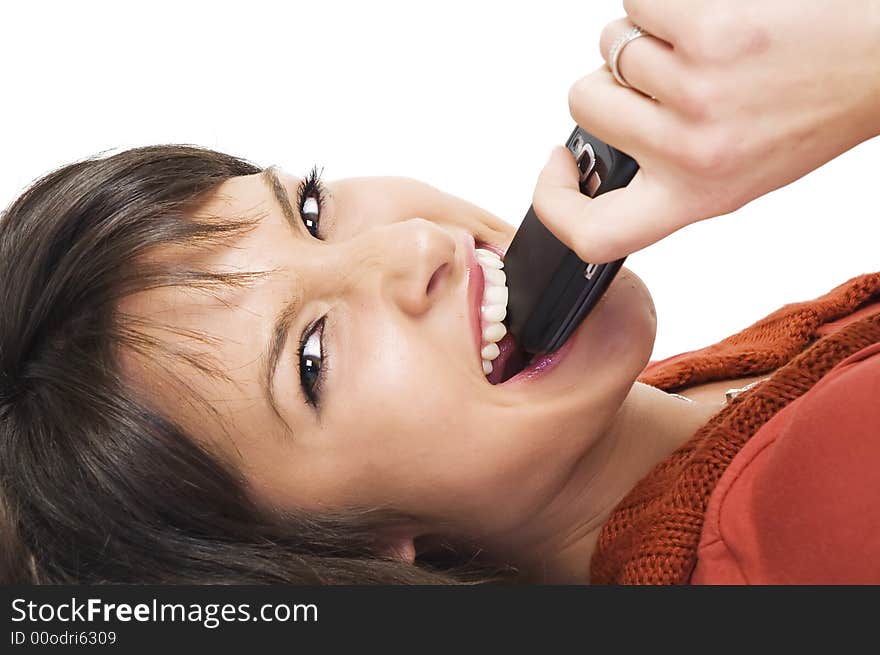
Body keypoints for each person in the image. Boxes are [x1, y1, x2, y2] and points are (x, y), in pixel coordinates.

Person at [1, 0, 878, 584]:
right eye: (310, 357)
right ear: (360, 550)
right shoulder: (805, 509)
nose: (411, 244)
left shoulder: (676, 415)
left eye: (307, 211)